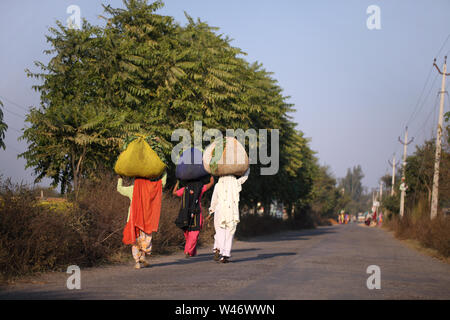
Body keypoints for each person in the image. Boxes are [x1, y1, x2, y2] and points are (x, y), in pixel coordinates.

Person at [117, 172, 167, 269]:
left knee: (135, 240)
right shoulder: (150, 187)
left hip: (133, 219)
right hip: (146, 219)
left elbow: (119, 189)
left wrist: (120, 178)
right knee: (144, 239)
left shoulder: (132, 189)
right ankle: (143, 257)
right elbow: (161, 184)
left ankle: (137, 261)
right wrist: (164, 172)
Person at [205, 168, 250, 263]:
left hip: (220, 211)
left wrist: (210, 211)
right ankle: (225, 255)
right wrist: (248, 168)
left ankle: (218, 248)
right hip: (232, 212)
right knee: (229, 233)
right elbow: (244, 178)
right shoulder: (235, 183)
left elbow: (214, 200)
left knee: (220, 231)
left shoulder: (218, 185)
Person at [173, 176, 215, 257]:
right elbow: (210, 184)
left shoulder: (185, 189)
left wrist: (177, 183)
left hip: (186, 214)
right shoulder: (200, 188)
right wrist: (211, 177)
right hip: (196, 213)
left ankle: (188, 251)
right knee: (193, 233)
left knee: (191, 233)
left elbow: (174, 192)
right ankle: (190, 251)